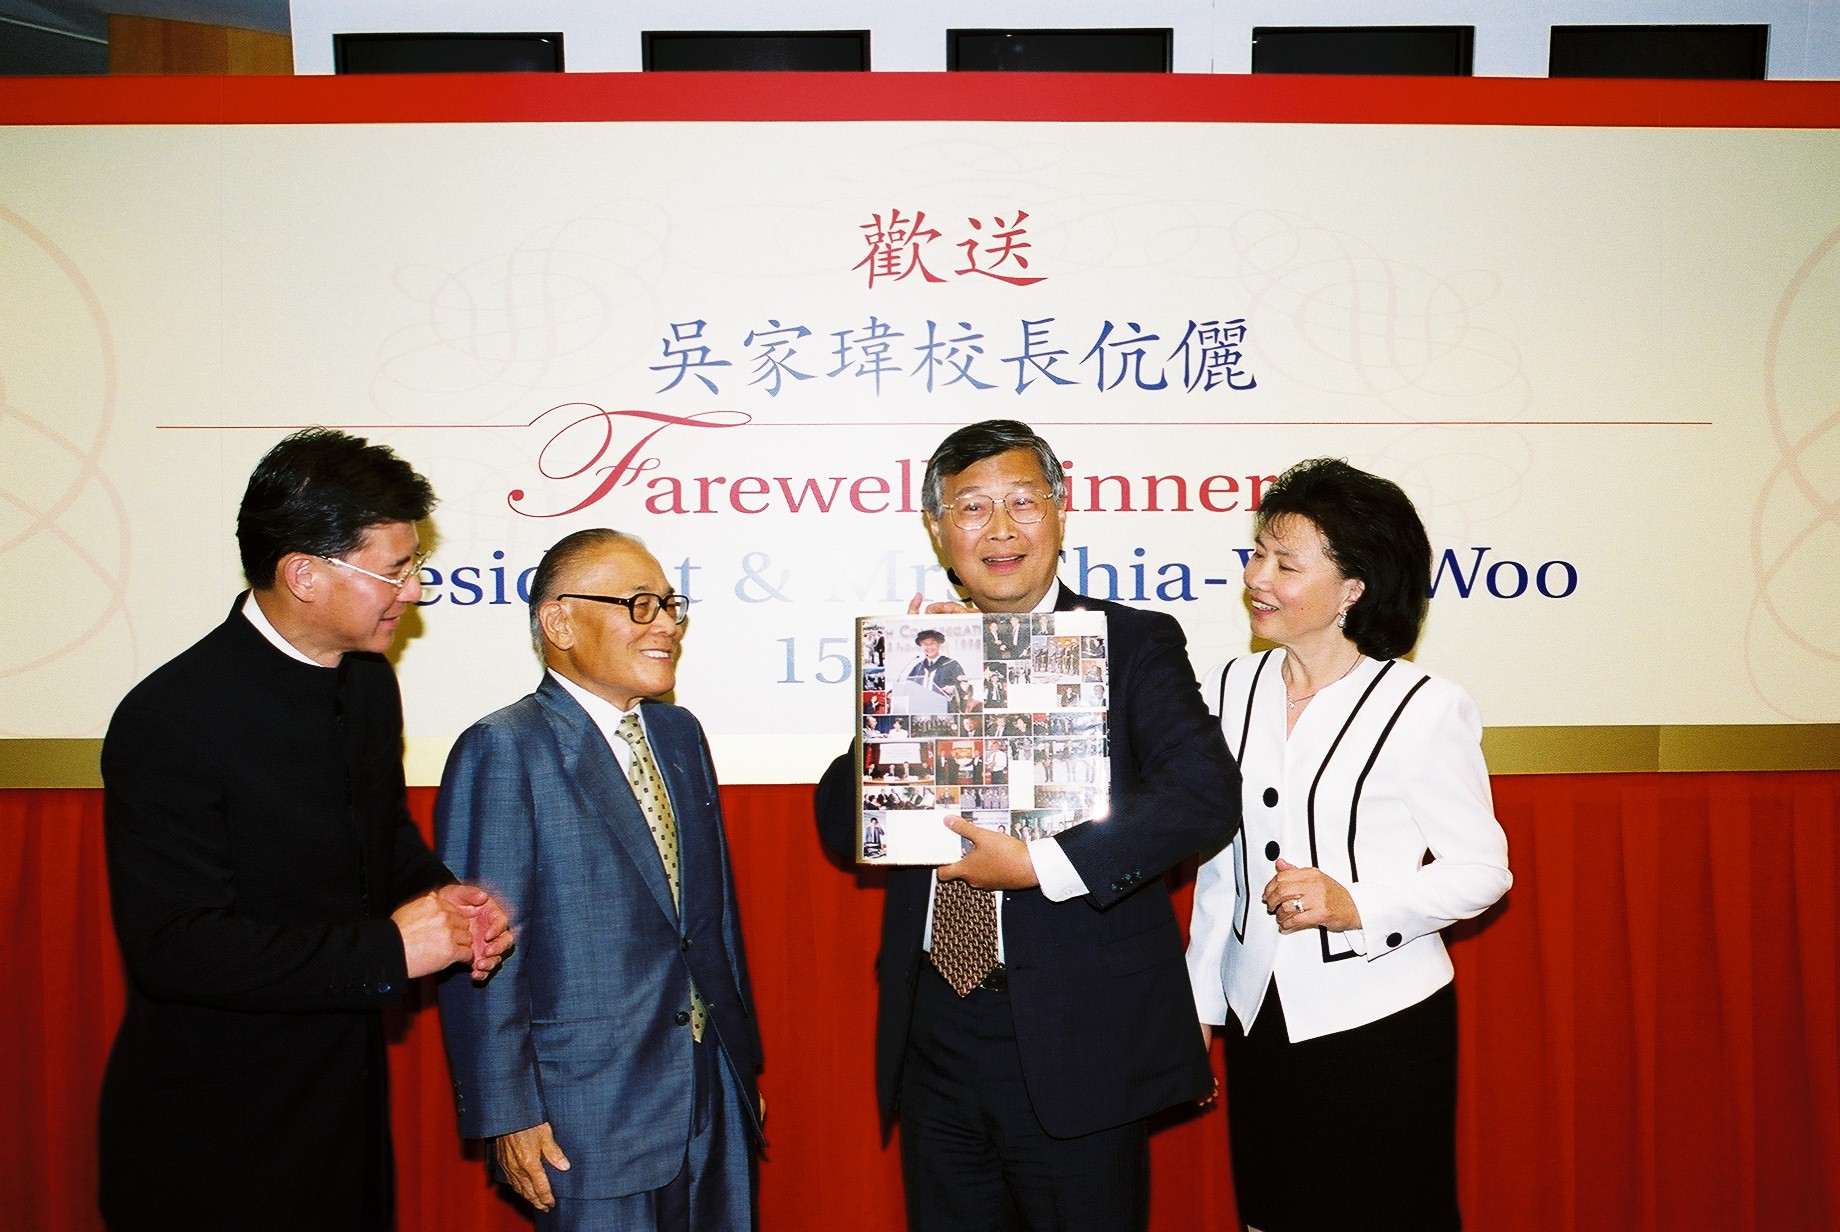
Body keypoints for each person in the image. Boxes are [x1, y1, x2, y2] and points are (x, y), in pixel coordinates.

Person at [815, 419, 1241, 1231]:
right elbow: (844, 826)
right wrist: (900, 697)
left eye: (1022, 501)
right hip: (935, 1034)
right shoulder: (921, 655)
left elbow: (1202, 795)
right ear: (939, 530)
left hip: (1079, 1033)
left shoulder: (1132, 642)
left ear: (1060, 511)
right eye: (972, 508)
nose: (1000, 528)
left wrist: (1044, 865)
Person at [97, 428, 510, 1232]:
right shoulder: (171, 717)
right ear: (304, 574)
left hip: (343, 1116)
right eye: (394, 569)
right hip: (214, 1143)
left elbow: (379, 841)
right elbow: (176, 945)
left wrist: (445, 900)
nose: (416, 590)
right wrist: (392, 950)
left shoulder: (365, 683)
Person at [1185, 458, 1513, 1232]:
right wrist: (1197, 1004)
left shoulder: (1426, 707)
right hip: (1260, 1013)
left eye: (1286, 563)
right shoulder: (1231, 686)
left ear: (1353, 589)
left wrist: (1355, 902)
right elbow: (1216, 867)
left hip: (1380, 1024)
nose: (1257, 576)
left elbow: (1483, 870)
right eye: (1258, 553)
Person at [437, 528, 763, 1231]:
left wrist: (742, 1069)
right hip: (584, 1115)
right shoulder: (504, 748)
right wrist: (510, 1113)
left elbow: (712, 921)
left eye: (671, 605)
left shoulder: (680, 736)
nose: (667, 624)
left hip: (712, 1093)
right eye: (640, 605)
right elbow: (479, 950)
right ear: (559, 623)